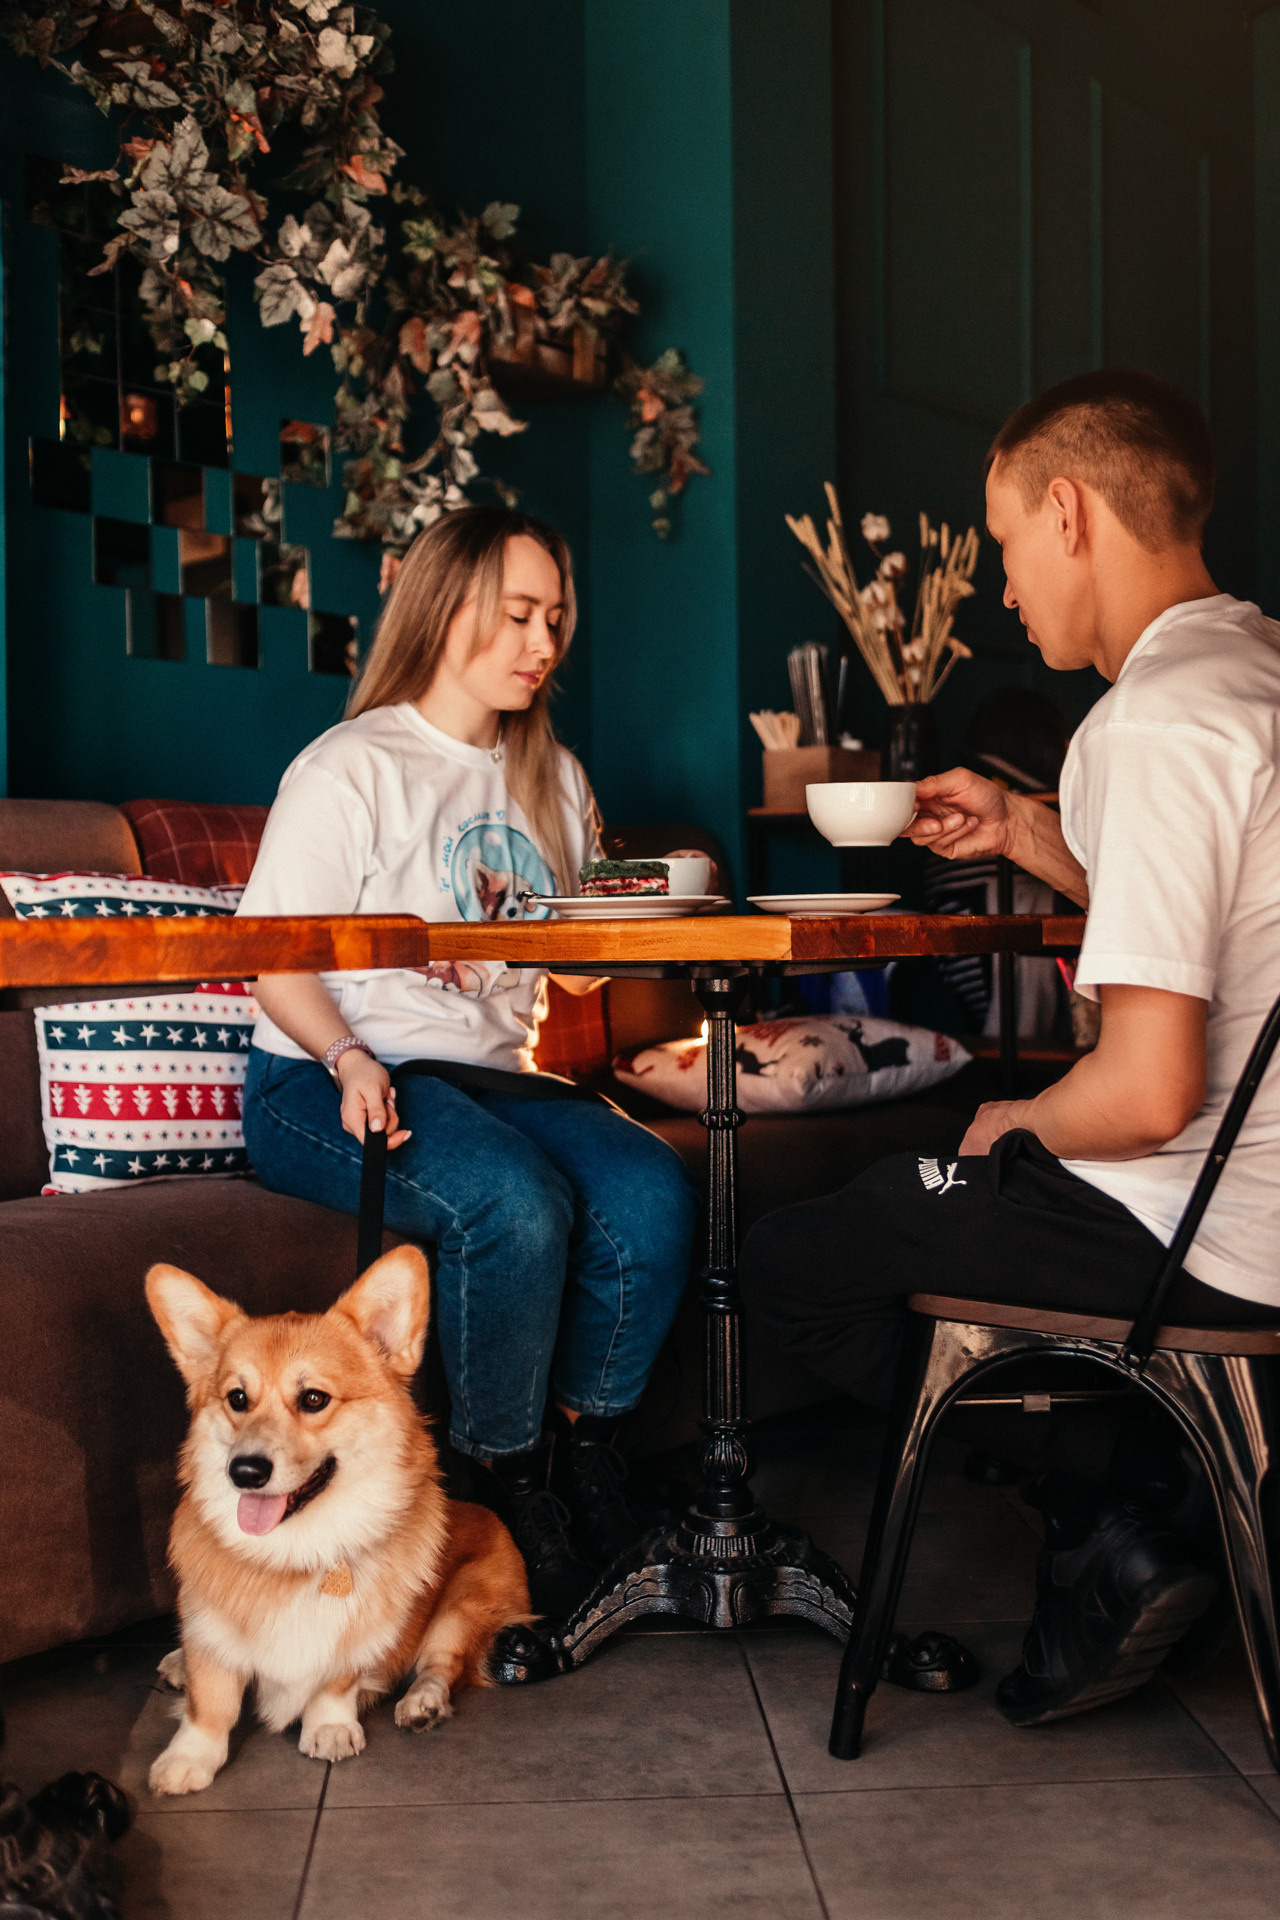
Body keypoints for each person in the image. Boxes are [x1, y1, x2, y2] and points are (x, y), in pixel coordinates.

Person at [741, 368, 1280, 1725]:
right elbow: (1213, 910)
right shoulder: (1254, 672)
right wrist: (1023, 827)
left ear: (1068, 508)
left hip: (1206, 1227)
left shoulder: (1149, 723)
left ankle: (1133, 1488)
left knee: (794, 1257)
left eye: (1000, 547)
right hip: (1266, 1200)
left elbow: (1151, 1093)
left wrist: (1004, 1135)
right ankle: (1138, 1504)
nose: (998, 589)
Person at [236, 506, 698, 1627]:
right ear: (444, 609)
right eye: (518, 616)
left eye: (554, 619)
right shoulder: (351, 768)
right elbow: (269, 962)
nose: (542, 643)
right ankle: (507, 1478)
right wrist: (344, 1054)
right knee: (512, 1200)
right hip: (323, 1078)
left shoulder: (553, 776)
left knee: (649, 1190)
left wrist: (633, 914)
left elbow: (576, 979)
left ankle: (590, 1455)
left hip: (491, 1076)